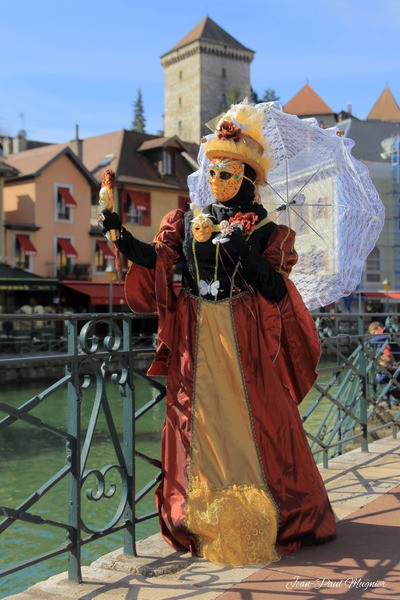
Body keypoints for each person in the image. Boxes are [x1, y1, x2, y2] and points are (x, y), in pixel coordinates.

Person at [100, 101, 336, 566]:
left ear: (248, 178)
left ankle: (268, 511)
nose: (216, 179)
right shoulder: (188, 219)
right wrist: (116, 231)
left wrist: (243, 248)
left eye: (227, 172)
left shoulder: (269, 232)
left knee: (256, 421)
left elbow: (273, 289)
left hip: (245, 341)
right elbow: (157, 259)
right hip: (197, 336)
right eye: (212, 170)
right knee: (200, 422)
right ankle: (202, 513)